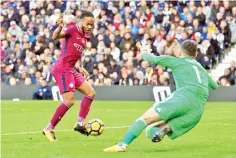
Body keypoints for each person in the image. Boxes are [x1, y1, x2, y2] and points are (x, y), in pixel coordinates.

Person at [104, 40, 218, 152]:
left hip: (184, 97)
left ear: (180, 52)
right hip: (198, 110)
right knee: (152, 130)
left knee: (144, 119)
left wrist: (144, 51)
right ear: (196, 54)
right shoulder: (201, 69)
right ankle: (159, 131)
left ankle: (122, 145)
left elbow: (150, 58)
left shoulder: (177, 61)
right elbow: (215, 85)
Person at [43, 11, 96, 142]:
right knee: (69, 101)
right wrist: (60, 26)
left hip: (71, 69)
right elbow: (55, 36)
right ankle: (49, 128)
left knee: (90, 93)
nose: (89, 27)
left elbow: (79, 51)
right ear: (82, 21)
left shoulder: (86, 36)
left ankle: (80, 124)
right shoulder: (72, 29)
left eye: (92, 25)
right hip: (62, 68)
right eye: (88, 24)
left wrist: (81, 66)